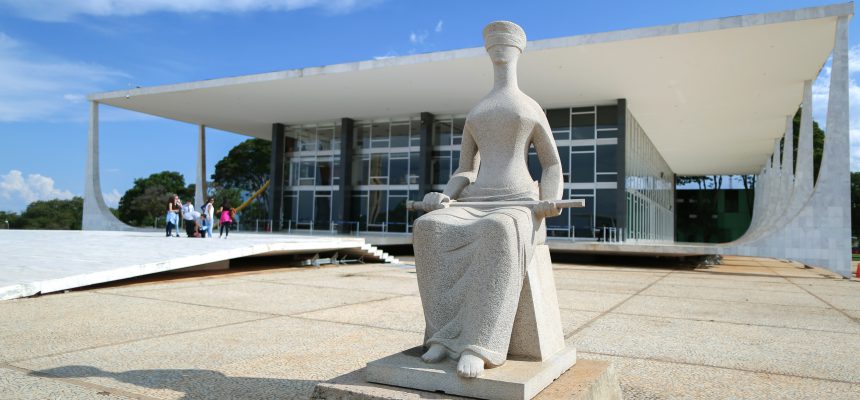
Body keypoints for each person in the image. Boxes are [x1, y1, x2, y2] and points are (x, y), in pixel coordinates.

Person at [412, 21, 562, 379]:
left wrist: (550, 198)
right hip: (475, 199)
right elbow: (465, 169)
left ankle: (479, 344)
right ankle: (443, 337)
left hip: (519, 201)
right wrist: (445, 197)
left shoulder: (529, 106)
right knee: (428, 228)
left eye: (505, 45)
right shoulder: (477, 111)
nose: (499, 51)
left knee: (498, 229)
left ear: (517, 51)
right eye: (492, 45)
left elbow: (552, 163)